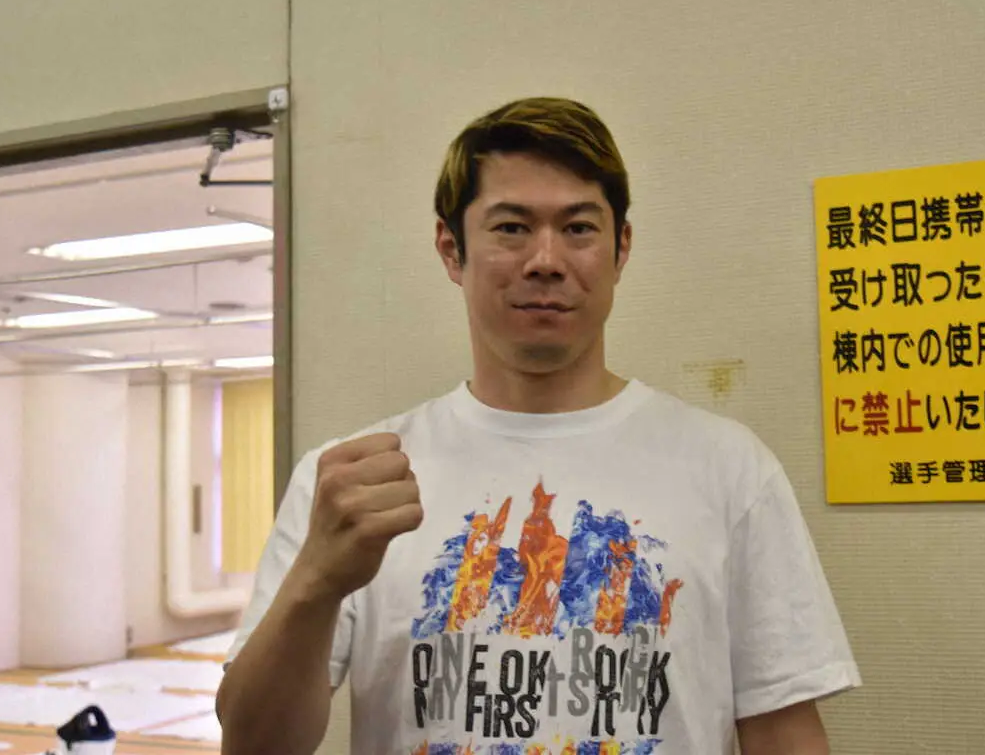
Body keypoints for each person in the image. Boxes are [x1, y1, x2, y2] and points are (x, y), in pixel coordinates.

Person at [216, 97, 860, 755]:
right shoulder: (354, 483)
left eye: (578, 228)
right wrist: (315, 583)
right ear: (452, 249)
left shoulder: (729, 469)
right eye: (512, 228)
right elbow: (253, 746)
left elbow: (784, 733)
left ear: (621, 248)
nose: (546, 259)